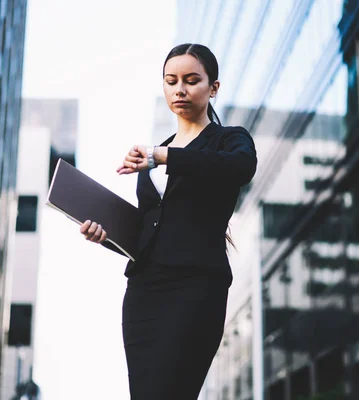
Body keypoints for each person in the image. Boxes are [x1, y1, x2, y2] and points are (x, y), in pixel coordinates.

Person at [79, 43, 257, 399]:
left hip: (195, 289)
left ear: (214, 88)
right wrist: (106, 236)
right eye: (171, 80)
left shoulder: (228, 140)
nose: (180, 89)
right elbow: (150, 231)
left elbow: (241, 167)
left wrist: (164, 156)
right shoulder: (157, 153)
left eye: (192, 80)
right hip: (144, 292)